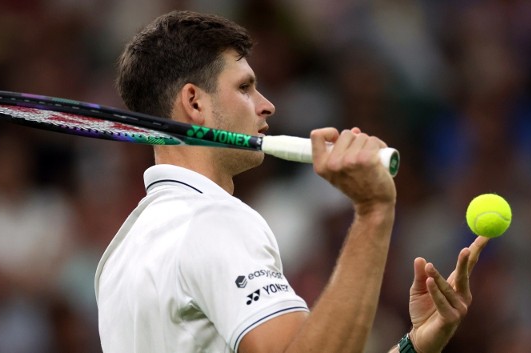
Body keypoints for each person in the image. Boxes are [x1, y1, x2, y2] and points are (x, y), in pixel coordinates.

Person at [94, 10, 489, 353]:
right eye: (245, 87)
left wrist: (415, 345)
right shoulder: (213, 220)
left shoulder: (119, 254)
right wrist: (373, 212)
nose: (267, 105)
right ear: (195, 102)